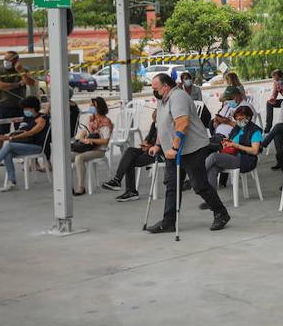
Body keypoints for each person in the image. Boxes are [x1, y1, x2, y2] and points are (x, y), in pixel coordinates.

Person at [145, 73, 229, 233]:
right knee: (172, 185)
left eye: (155, 88)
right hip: (173, 150)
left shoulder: (178, 97)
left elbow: (182, 123)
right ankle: (169, 221)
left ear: (165, 86)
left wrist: (175, 148)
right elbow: (161, 125)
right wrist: (157, 144)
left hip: (192, 149)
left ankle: (221, 213)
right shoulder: (163, 100)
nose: (153, 91)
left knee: (199, 185)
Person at [0, 96, 47, 191]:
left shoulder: (41, 120)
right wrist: (12, 135)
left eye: (26, 108)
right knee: (7, 154)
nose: (24, 110)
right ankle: (12, 182)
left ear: (32, 108)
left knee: (9, 145)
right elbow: (21, 130)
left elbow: (30, 133)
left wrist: (11, 137)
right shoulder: (27, 118)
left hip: (36, 147)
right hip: (25, 145)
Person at [203, 104, 262, 193]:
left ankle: (198, 175)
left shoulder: (255, 131)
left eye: (241, 118)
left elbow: (255, 151)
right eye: (237, 119)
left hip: (245, 159)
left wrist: (236, 145)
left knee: (214, 157)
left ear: (249, 118)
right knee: (213, 169)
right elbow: (233, 140)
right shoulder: (238, 128)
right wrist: (228, 141)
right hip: (233, 155)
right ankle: (212, 198)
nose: (238, 121)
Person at [102, 109, 158, 201]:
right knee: (130, 150)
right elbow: (148, 138)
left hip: (157, 153)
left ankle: (130, 191)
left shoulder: (166, 126)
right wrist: (145, 143)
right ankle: (117, 180)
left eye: (156, 119)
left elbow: (164, 144)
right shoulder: (154, 124)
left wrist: (150, 146)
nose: (155, 122)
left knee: (129, 161)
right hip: (148, 150)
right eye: (154, 119)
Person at [71, 97, 114, 196]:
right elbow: (82, 134)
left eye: (93, 105)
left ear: (99, 107)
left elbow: (105, 140)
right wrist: (84, 140)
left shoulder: (106, 122)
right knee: (67, 156)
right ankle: (67, 185)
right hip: (85, 147)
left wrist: (91, 140)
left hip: (99, 150)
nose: (91, 107)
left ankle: (81, 187)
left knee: (79, 158)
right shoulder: (90, 119)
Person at [0, 51, 32, 137]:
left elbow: (30, 82)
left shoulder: (24, 69)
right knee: (0, 133)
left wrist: (21, 71)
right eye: (4, 59)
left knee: (22, 130)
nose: (5, 61)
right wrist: (18, 84)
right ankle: (0, 151)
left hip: (20, 105)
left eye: (8, 59)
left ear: (16, 60)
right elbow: (0, 85)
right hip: (3, 105)